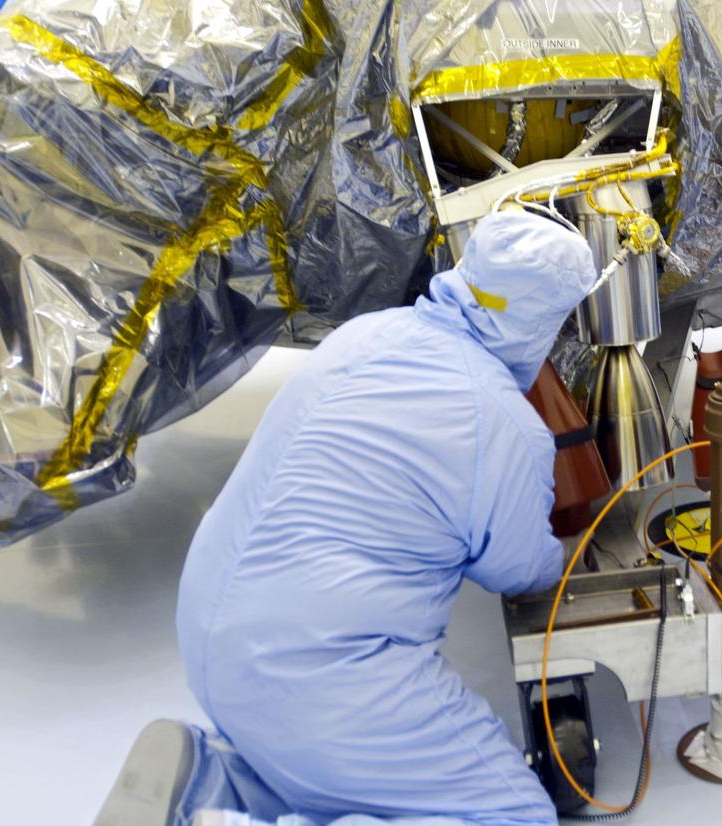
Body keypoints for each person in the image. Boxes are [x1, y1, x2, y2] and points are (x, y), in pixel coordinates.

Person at [93, 210, 598, 826]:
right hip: (319, 669)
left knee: (340, 775)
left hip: (211, 625)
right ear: (540, 319)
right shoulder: (501, 422)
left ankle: (206, 784)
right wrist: (566, 554)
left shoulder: (371, 333)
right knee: (513, 816)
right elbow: (517, 568)